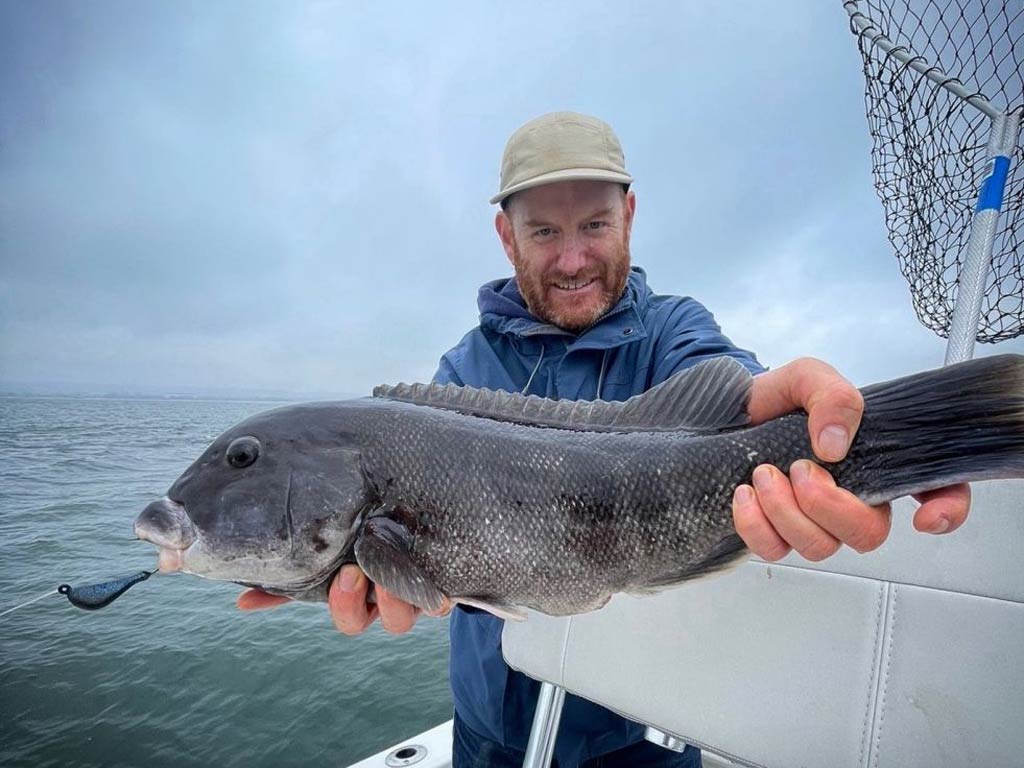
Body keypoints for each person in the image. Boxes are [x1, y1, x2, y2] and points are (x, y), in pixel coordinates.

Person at [239, 112, 972, 767]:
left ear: (629, 216)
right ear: (505, 235)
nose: (571, 259)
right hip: (490, 732)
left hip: (644, 736)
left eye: (593, 225)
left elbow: (734, 393)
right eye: (544, 232)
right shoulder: (459, 372)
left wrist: (823, 429)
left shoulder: (673, 330)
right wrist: (384, 580)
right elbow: (447, 570)